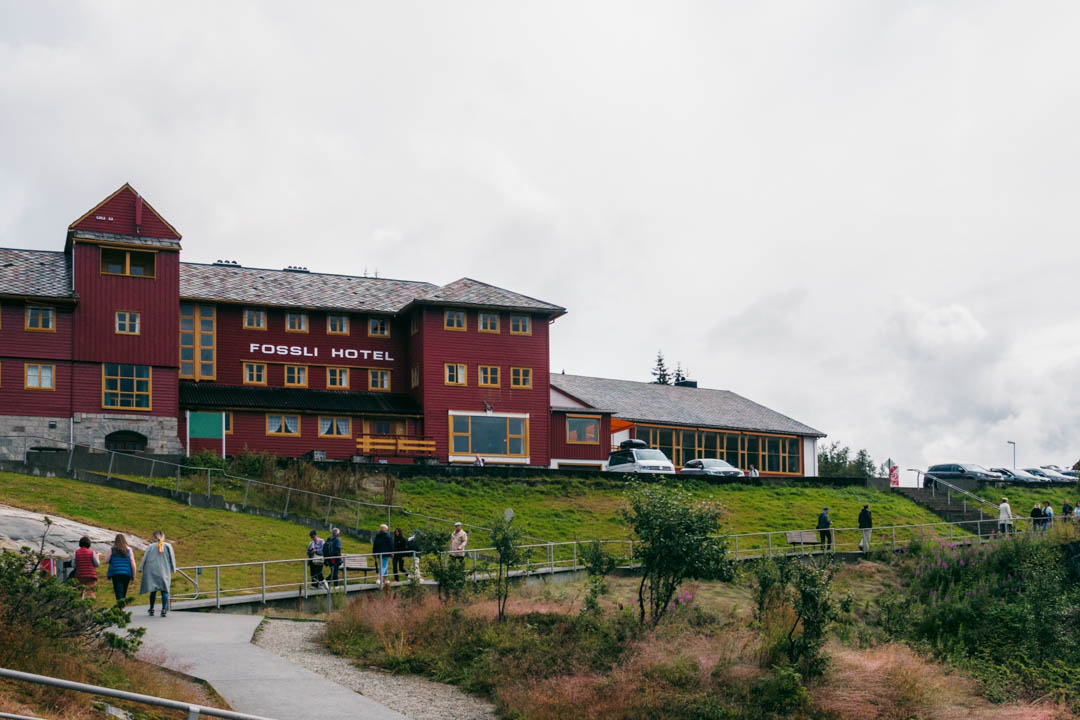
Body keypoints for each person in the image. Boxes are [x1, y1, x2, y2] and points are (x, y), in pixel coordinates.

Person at [139, 530, 176, 617]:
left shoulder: (150, 546)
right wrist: (173, 568)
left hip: (152, 571)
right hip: (164, 571)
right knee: (165, 590)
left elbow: (144, 558)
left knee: (153, 590)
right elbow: (172, 558)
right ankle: (163, 609)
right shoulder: (168, 546)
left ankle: (151, 608)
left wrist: (141, 568)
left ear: (154, 537)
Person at [106, 533, 137, 603]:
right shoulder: (129, 550)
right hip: (127, 573)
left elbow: (106, 560)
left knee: (118, 591)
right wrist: (134, 575)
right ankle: (122, 606)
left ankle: (120, 607)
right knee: (124, 591)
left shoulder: (112, 549)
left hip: (116, 573)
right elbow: (133, 562)